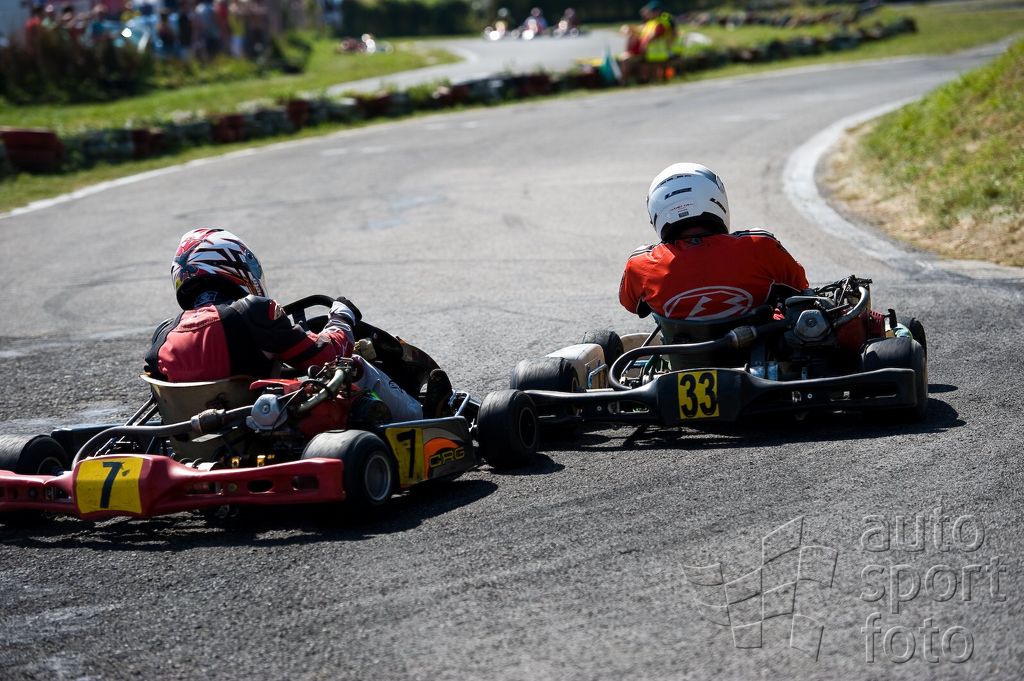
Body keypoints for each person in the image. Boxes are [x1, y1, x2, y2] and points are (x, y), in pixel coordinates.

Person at [145, 229, 452, 422]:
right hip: (263, 427)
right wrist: (342, 318)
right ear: (231, 266)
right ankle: (425, 419)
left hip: (194, 440)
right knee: (351, 365)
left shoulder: (163, 335)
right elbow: (327, 355)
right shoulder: (252, 311)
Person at [619, 163, 809, 321]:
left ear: (656, 211)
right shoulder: (759, 246)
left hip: (683, 351)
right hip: (758, 349)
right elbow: (800, 286)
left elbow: (631, 305)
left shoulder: (641, 265)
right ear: (716, 199)